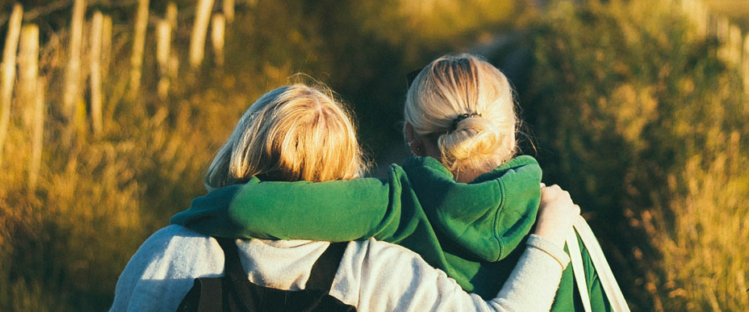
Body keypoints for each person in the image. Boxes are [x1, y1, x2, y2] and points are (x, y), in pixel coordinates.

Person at [172, 54, 622, 312]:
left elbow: (241, 209)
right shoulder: (561, 222)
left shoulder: (394, 203)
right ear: (510, 130)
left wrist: (188, 219)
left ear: (410, 137)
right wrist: (551, 234)